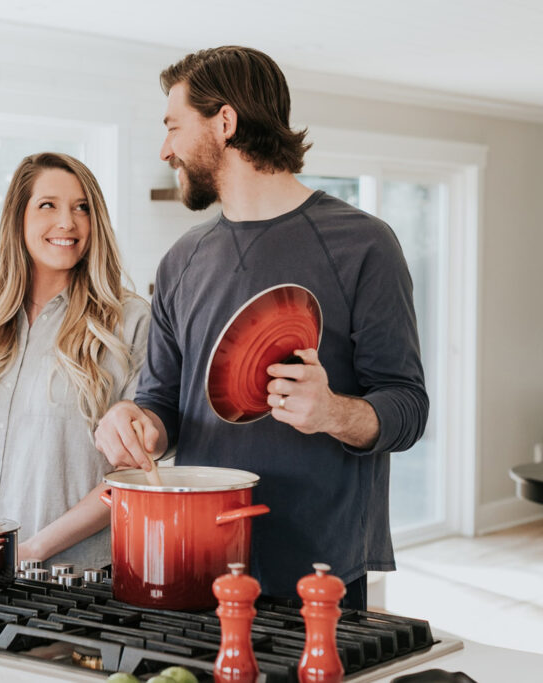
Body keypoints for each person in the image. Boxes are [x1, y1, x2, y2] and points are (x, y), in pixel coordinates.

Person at [93, 46, 428, 609]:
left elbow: (408, 406)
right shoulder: (182, 259)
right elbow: (162, 402)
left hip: (317, 571)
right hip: (197, 561)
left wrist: (333, 412)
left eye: (173, 126)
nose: (165, 148)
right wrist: (138, 422)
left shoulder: (363, 244)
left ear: (224, 123)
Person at [0, 152, 150, 570]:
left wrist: (31, 550)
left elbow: (134, 475)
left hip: (73, 578)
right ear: (18, 218)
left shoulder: (128, 322)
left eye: (82, 208)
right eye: (48, 205)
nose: (68, 222)